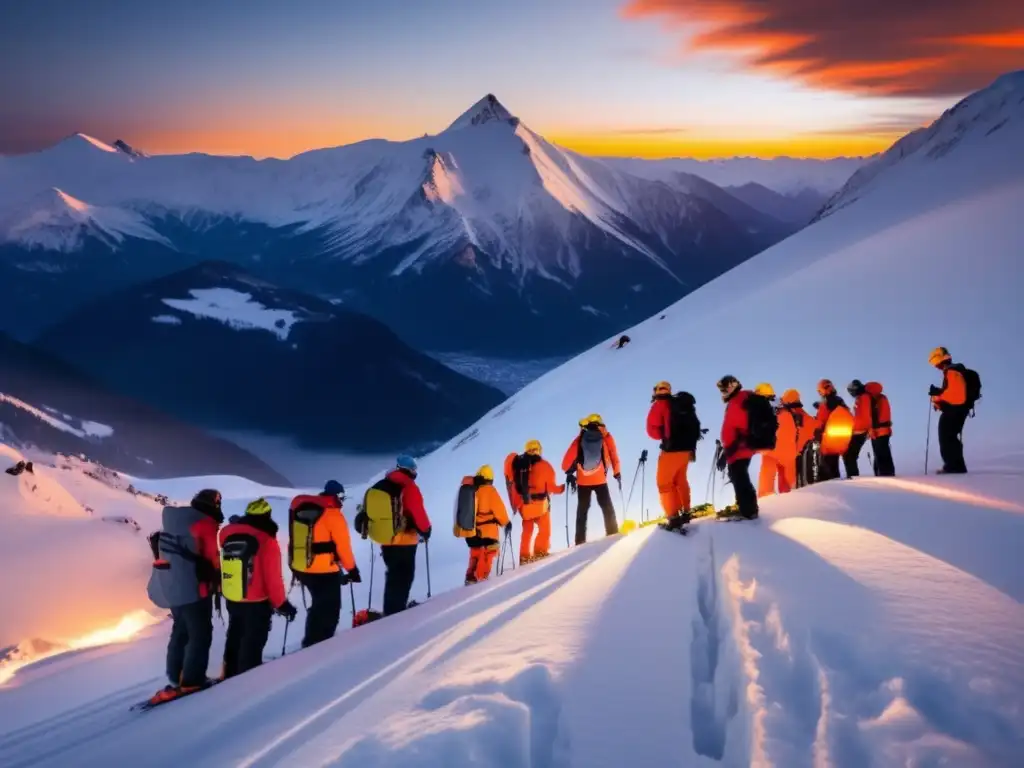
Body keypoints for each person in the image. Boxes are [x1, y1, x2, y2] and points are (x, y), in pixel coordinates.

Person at [145, 489, 223, 704]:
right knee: (200, 634)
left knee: (180, 631)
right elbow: (211, 559)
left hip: (173, 589)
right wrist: (218, 582)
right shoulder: (204, 524)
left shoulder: (174, 520)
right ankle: (193, 680)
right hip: (195, 589)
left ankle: (175, 674)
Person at [219, 498, 297, 678]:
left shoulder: (227, 534)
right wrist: (281, 604)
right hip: (257, 601)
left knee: (235, 634)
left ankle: (229, 673)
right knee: (253, 641)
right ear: (267, 516)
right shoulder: (266, 540)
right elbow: (273, 578)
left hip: (233, 595)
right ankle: (248, 679)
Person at [288, 480, 360, 648]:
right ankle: (322, 646)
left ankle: (310, 641)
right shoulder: (333, 515)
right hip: (324, 571)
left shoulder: (305, 510)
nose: (342, 500)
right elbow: (343, 547)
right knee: (330, 609)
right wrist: (352, 570)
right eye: (341, 496)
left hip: (302, 567)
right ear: (335, 496)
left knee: (318, 605)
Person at [379, 455, 432, 614]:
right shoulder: (409, 487)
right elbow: (417, 511)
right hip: (405, 541)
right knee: (404, 578)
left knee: (393, 577)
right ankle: (397, 615)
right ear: (409, 470)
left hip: (387, 540)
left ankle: (391, 611)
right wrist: (426, 529)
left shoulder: (383, 485)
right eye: (414, 469)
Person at [646, 381, 701, 528]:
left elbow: (652, 431)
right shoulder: (680, 403)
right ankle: (686, 511)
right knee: (680, 480)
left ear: (656, 391)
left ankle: (673, 517)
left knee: (664, 484)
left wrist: (665, 433)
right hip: (687, 450)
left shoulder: (659, 405)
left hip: (671, 450)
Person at [562, 414, 621, 544]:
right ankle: (613, 534)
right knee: (607, 508)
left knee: (582, 511)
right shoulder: (606, 437)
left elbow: (565, 463)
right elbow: (614, 456)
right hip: (600, 479)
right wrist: (617, 473)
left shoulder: (580, 439)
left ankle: (580, 541)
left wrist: (570, 472)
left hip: (583, 481)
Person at [506, 440, 564, 564]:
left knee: (527, 531)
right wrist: (562, 488)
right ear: (539, 450)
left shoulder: (519, 467)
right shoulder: (545, 466)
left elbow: (514, 485)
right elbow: (552, 488)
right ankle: (540, 552)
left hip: (525, 507)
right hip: (540, 506)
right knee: (545, 528)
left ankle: (524, 557)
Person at [457, 466, 511, 584]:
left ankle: (470, 576)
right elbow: (499, 510)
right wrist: (506, 523)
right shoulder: (490, 491)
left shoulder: (472, 490)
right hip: (488, 531)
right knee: (488, 554)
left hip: (471, 530)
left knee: (475, 553)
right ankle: (481, 580)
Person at [716, 376, 758, 520]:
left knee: (739, 476)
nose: (722, 392)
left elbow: (738, 425)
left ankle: (748, 510)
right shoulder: (742, 398)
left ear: (731, 387)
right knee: (738, 475)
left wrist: (731, 447)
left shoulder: (739, 400)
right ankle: (745, 506)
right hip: (740, 446)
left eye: (724, 389)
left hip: (739, 446)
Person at [929, 347, 971, 473]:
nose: (936, 367)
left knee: (946, 437)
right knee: (950, 437)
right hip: (958, 410)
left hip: (954, 411)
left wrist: (938, 395)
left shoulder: (952, 372)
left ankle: (953, 467)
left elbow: (957, 396)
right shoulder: (954, 371)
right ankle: (957, 466)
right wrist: (940, 399)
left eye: (936, 363)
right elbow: (954, 394)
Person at [776, 389, 818, 492]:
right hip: (802, 453)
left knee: (790, 484)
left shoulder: (789, 415)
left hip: (794, 454)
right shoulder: (805, 416)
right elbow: (816, 427)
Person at [813, 379, 851, 481]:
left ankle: (829, 491)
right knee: (834, 467)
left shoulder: (825, 404)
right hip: (841, 441)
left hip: (828, 441)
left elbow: (820, 422)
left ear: (822, 390)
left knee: (826, 469)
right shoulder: (840, 401)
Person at [753, 383, 780, 497]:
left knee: (767, 471)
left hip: (768, 446)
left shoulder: (763, 408)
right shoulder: (781, 406)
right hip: (781, 444)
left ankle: (766, 497)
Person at [865, 382, 895, 476]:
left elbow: (873, 416)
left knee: (880, 455)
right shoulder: (883, 398)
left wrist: (870, 429)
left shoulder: (874, 400)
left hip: (877, 431)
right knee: (885, 454)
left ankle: (883, 475)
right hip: (885, 431)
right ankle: (888, 473)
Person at [845, 380, 872, 477]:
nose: (851, 394)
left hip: (859, 431)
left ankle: (853, 478)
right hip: (859, 431)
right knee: (849, 455)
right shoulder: (862, 398)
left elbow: (863, 416)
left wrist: (855, 428)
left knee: (849, 455)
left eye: (851, 391)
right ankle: (852, 477)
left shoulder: (863, 398)